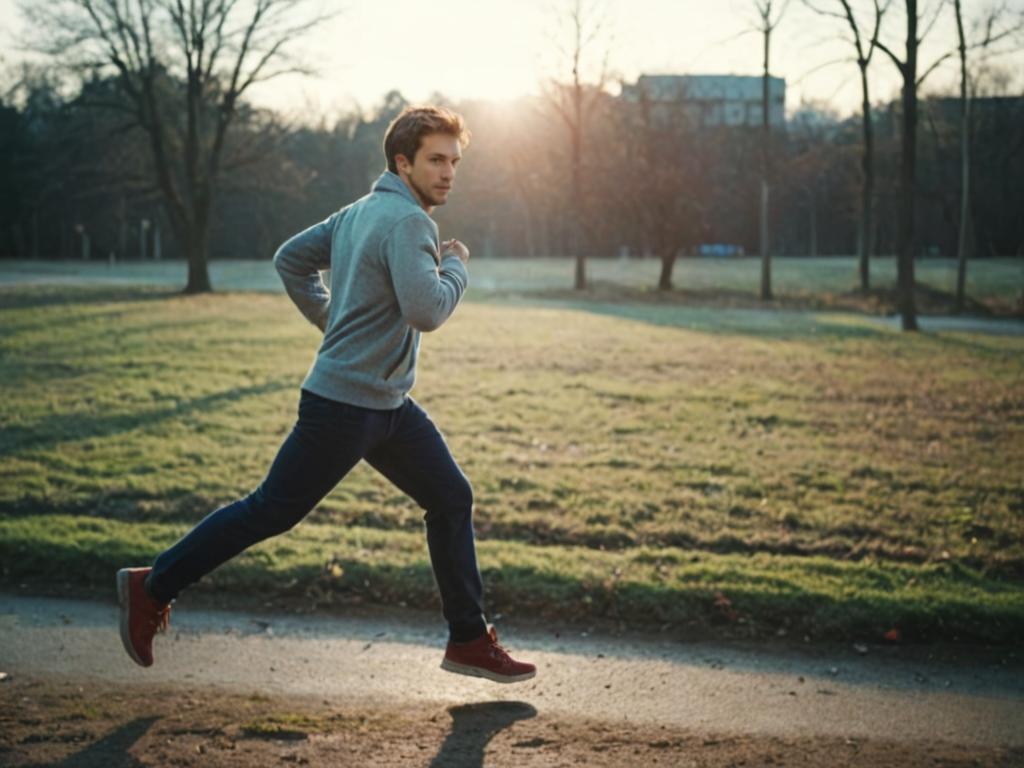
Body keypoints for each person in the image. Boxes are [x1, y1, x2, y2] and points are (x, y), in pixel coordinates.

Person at [116, 105, 536, 684]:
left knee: (450, 496)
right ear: (402, 161)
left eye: (455, 162)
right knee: (270, 510)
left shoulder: (359, 212)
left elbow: (290, 259)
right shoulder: (412, 223)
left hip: (386, 405)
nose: (448, 173)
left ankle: (467, 638)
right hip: (344, 406)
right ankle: (152, 586)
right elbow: (427, 309)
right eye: (436, 160)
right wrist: (457, 267)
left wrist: (333, 318)